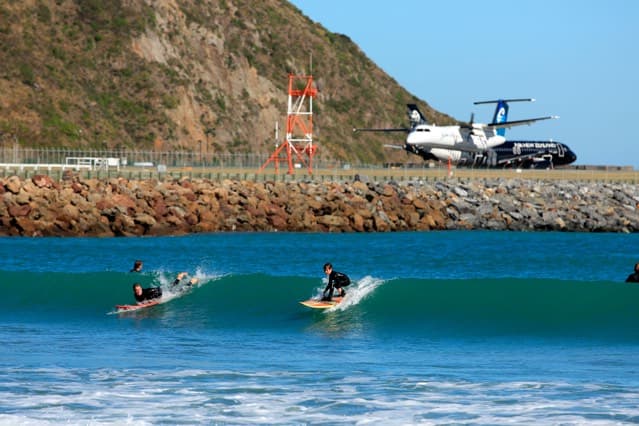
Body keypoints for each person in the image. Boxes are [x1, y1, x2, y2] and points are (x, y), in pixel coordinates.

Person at [132, 272, 198, 304]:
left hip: (162, 293)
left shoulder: (147, 292)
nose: (138, 291)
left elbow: (157, 297)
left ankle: (192, 281)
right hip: (160, 290)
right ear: (134, 291)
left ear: (141, 288)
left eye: (139, 289)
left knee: (181, 290)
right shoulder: (135, 294)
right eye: (136, 290)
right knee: (174, 284)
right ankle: (180, 276)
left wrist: (151, 302)